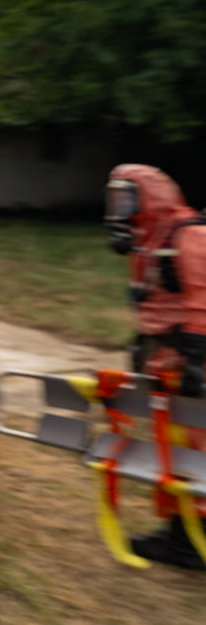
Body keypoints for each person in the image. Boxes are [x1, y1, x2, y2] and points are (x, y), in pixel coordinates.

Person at [105, 163, 206, 569]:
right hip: (172, 360)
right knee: (177, 448)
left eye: (125, 198)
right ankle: (181, 535)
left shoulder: (189, 236)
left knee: (197, 449)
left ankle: (188, 543)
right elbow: (155, 304)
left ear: (149, 197)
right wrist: (145, 346)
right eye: (113, 199)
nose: (118, 208)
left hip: (192, 361)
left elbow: (201, 302)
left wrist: (197, 362)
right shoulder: (151, 241)